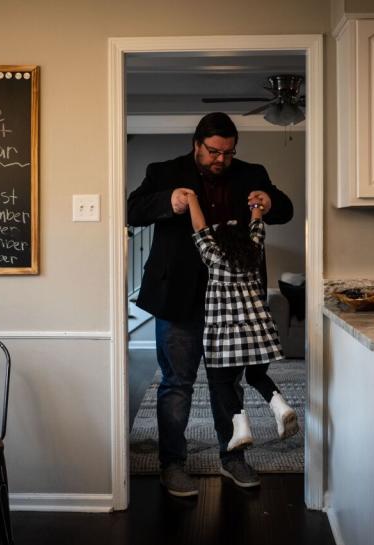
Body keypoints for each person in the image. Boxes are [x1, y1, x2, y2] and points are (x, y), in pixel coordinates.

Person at [127, 112, 293, 497]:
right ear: (196, 144)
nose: (221, 159)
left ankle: (232, 456)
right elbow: (132, 210)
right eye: (214, 151)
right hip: (179, 297)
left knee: (228, 384)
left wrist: (269, 200)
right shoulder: (164, 171)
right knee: (177, 383)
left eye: (229, 152)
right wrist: (168, 201)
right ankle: (172, 463)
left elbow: (285, 209)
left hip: (235, 300)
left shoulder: (252, 173)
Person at [187, 193, 300, 459]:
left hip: (226, 335)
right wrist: (256, 207)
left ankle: (241, 427)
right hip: (258, 331)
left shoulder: (213, 256)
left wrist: (193, 199)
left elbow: (199, 227)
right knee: (257, 376)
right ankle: (280, 406)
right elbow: (257, 226)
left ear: (220, 242)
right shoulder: (253, 251)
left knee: (222, 382)